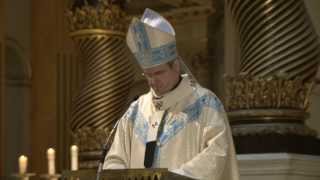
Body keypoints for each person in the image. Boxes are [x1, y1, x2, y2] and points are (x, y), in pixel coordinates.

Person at [103, 8, 239, 180]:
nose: (152, 81)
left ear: (175, 66)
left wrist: (175, 176)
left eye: (158, 73)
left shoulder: (205, 104)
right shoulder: (135, 111)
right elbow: (115, 159)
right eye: (148, 74)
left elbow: (218, 153)